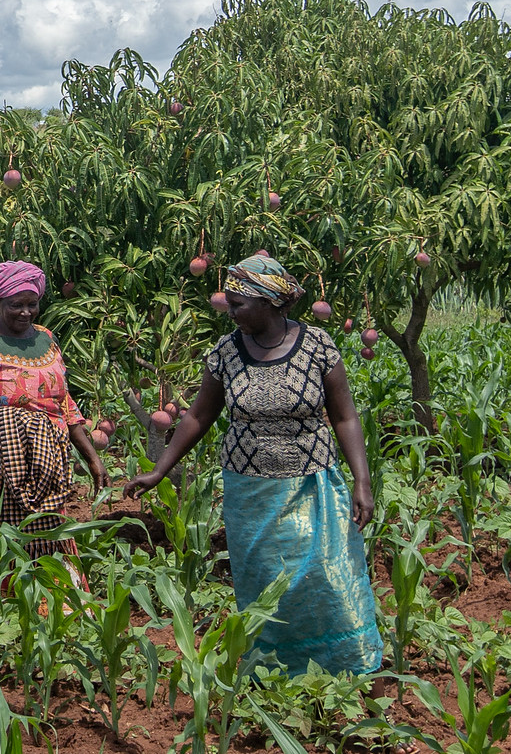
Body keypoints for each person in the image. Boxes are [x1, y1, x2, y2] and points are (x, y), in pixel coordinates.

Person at [123, 253, 382, 676]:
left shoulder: (317, 345)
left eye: (239, 303)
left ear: (271, 302)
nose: (231, 312)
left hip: (312, 482)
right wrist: (159, 470)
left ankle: (347, 667)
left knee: (327, 578)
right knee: (265, 587)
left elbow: (345, 417)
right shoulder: (227, 351)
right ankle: (274, 674)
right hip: (250, 492)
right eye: (230, 301)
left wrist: (362, 481)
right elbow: (197, 416)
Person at [0, 260, 107, 559]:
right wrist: (13, 423)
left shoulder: (46, 339)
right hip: (2, 458)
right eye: (16, 304)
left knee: (52, 531)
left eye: (33, 304)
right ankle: (10, 599)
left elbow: (64, 403)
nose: (26, 312)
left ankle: (56, 599)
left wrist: (92, 458)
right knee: (10, 535)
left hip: (51, 460)